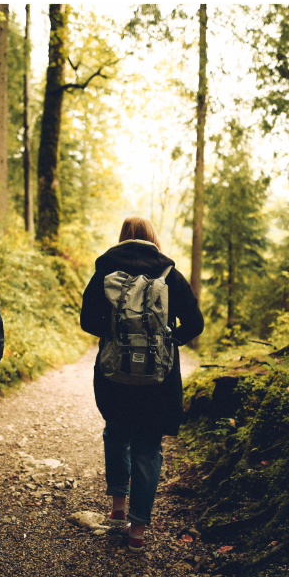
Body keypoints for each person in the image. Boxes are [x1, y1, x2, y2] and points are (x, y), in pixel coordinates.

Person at [80, 216, 204, 552]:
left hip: (114, 375)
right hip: (157, 380)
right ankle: (137, 530)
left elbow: (86, 320)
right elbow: (195, 323)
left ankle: (118, 506)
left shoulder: (105, 274)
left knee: (115, 432)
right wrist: (167, 341)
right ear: (153, 239)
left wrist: (115, 335)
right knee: (148, 447)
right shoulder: (169, 275)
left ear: (122, 239)